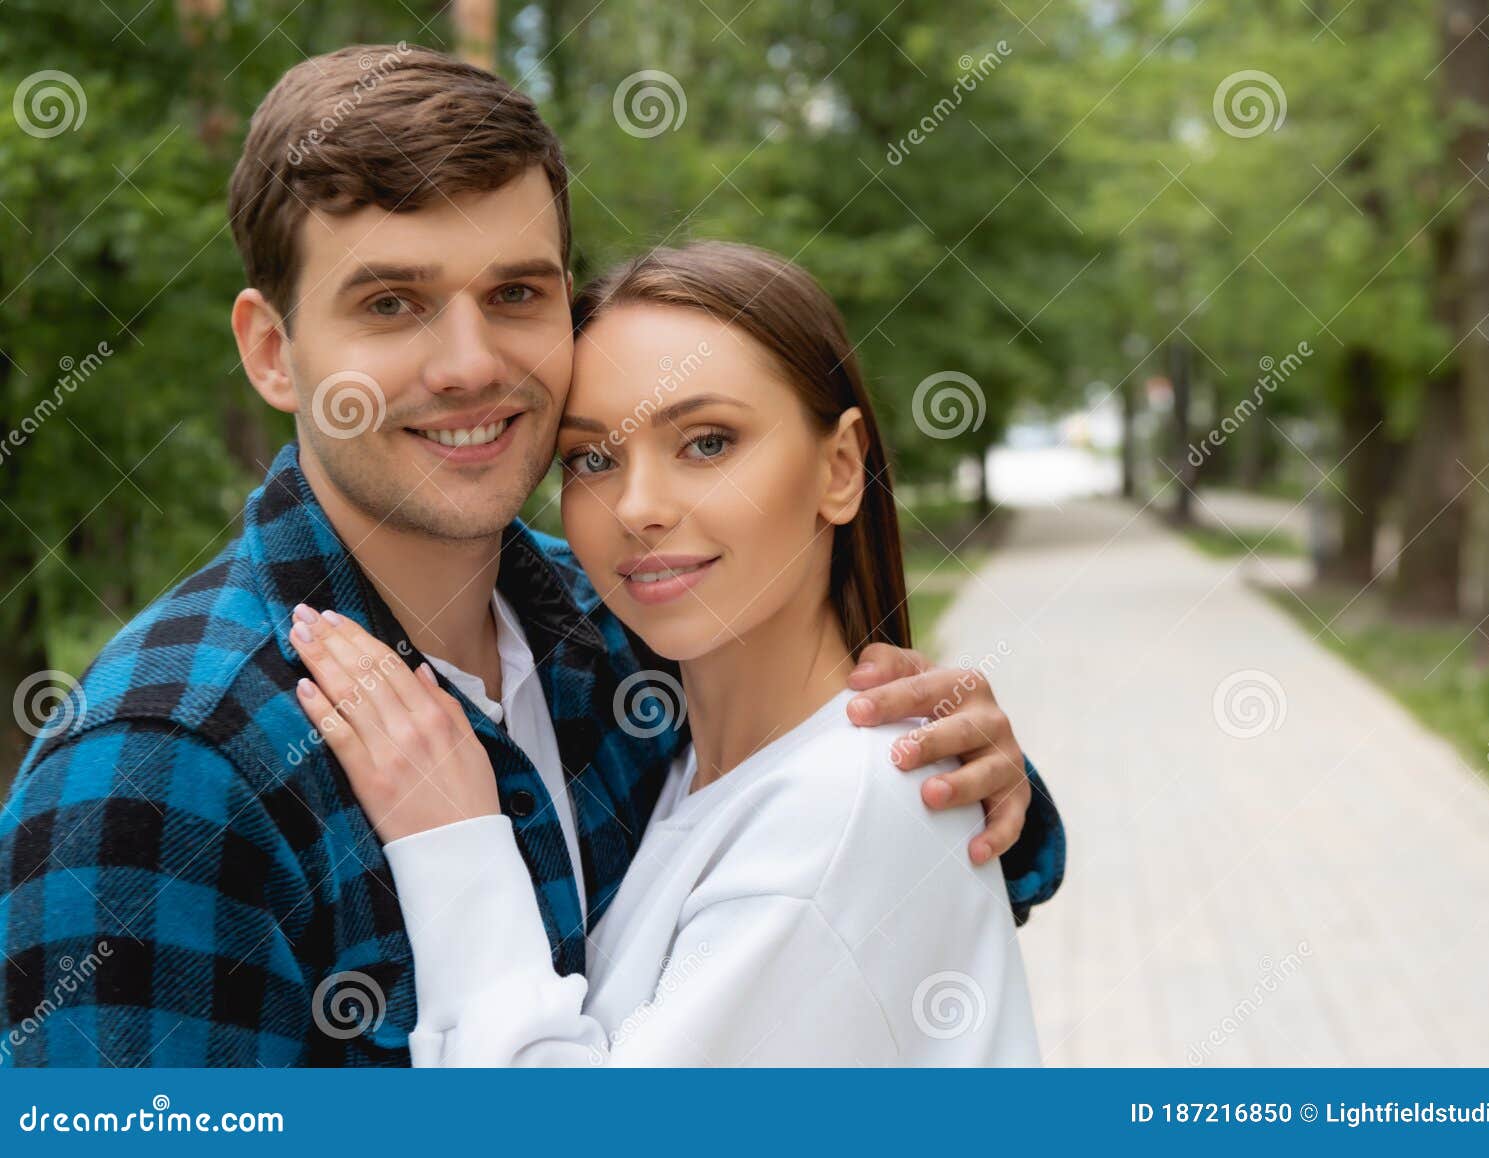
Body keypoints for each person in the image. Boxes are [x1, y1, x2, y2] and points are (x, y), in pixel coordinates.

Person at [0, 45, 1064, 1067]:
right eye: (391, 303)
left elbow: (822, 940)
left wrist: (988, 795)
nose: (471, 365)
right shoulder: (167, 761)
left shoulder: (620, 635)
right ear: (273, 351)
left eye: (514, 293)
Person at [291, 242, 1040, 1065]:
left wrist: (460, 850)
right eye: (594, 459)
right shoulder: (685, 757)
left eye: (708, 442)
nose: (639, 507)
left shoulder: (834, 815)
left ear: (839, 467)